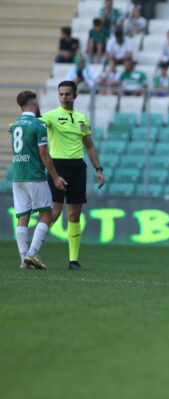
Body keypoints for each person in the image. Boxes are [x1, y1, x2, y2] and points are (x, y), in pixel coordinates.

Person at [40, 81, 106, 270]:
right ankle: (32, 251)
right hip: (57, 166)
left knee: (74, 215)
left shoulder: (82, 119)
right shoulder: (50, 116)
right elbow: (32, 124)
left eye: (67, 94)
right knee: (54, 212)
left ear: (75, 95)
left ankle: (73, 260)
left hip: (77, 167)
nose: (64, 97)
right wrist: (17, 125)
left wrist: (99, 169)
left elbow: (89, 146)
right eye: (61, 94)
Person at [10, 91, 67, 269]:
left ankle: (24, 260)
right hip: (34, 175)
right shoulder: (38, 124)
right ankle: (31, 254)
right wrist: (55, 177)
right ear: (34, 102)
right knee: (47, 214)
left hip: (17, 176)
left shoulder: (15, 124)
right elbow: (43, 152)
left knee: (23, 217)